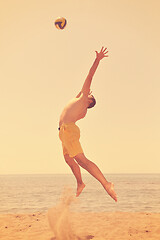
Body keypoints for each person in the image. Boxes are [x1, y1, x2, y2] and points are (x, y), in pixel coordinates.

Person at [58, 47, 117, 202]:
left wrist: (97, 60)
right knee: (69, 159)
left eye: (90, 95)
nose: (88, 92)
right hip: (64, 132)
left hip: (68, 131)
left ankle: (106, 184)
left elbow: (90, 76)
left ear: (89, 101)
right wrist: (83, 93)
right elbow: (78, 94)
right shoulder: (80, 103)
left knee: (82, 160)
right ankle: (80, 183)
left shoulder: (84, 101)